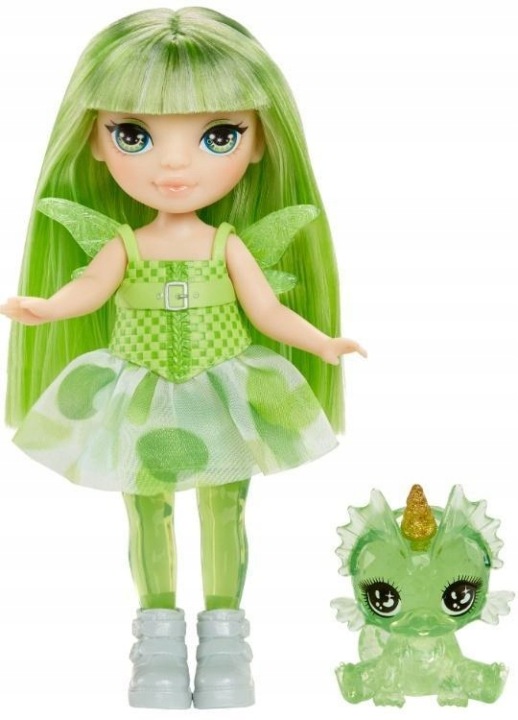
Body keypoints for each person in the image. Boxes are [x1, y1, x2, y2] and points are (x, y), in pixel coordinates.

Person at [2, 7, 365, 709]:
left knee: (226, 509)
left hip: (224, 390)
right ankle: (157, 643)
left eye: (217, 136)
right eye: (133, 135)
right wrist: (47, 308)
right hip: (140, 394)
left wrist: (322, 342)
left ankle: (226, 646)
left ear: (259, 143)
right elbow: (88, 289)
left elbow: (266, 312)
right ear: (95, 141)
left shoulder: (227, 244)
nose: (174, 164)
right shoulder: (125, 245)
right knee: (148, 511)